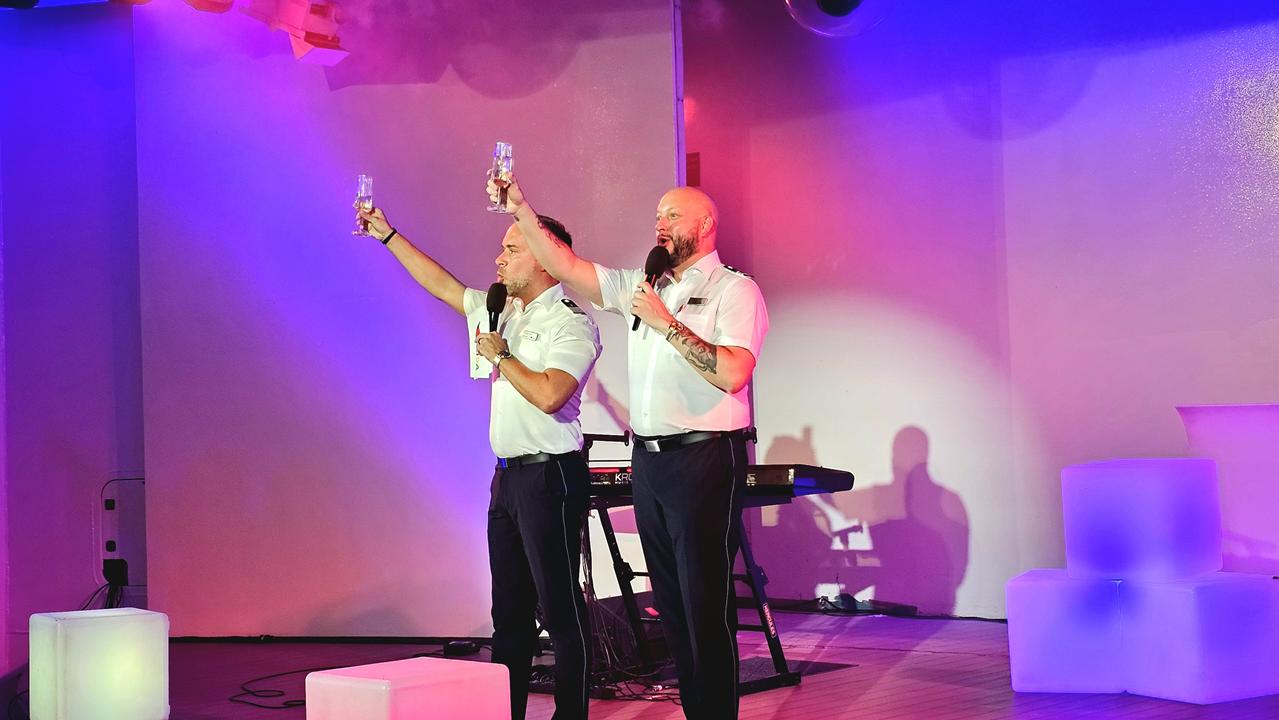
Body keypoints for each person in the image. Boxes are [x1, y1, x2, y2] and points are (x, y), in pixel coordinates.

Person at [485, 176, 769, 719]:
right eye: (658, 215)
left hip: (705, 457)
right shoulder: (643, 284)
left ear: (706, 225)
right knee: (673, 608)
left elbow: (733, 373)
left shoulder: (735, 290)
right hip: (651, 462)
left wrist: (667, 324)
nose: (660, 224)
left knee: (704, 606)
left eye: (673, 216)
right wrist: (520, 206)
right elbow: (566, 264)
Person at [356, 204, 600, 720]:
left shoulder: (570, 321)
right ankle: (505, 712)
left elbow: (552, 394)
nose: (499, 259)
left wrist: (502, 357)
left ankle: (571, 715)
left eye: (512, 249)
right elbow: (443, 286)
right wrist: (387, 235)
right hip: (507, 478)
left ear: (544, 257)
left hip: (551, 475)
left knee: (559, 607)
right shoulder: (503, 310)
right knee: (509, 612)